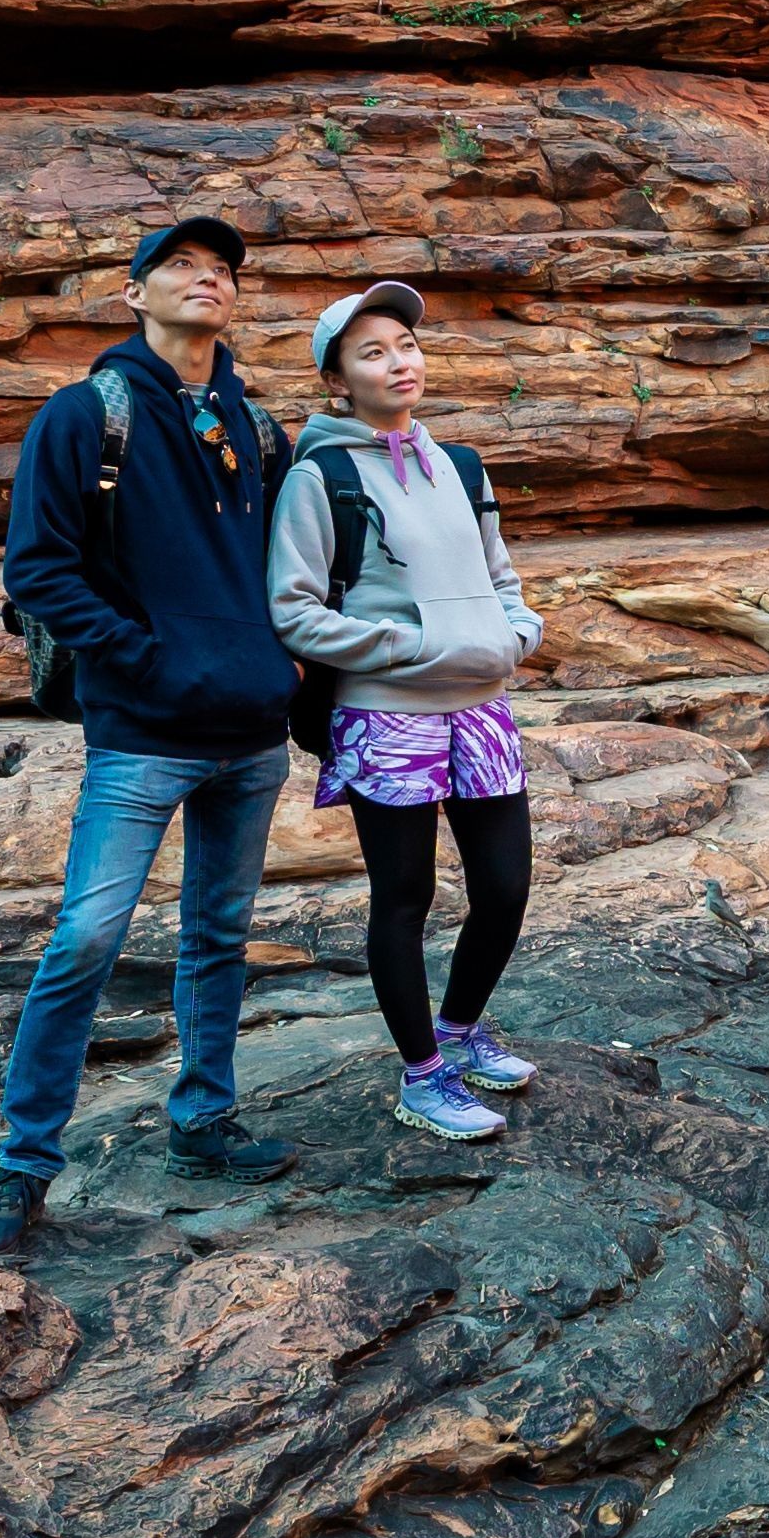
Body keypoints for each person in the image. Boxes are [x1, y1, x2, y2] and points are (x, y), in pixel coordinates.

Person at [0, 211, 302, 1252]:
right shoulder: (84, 416)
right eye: (182, 267)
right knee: (87, 938)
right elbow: (37, 571)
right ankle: (25, 1167)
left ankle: (203, 1118)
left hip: (252, 735)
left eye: (223, 271)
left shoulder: (259, 427)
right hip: (143, 731)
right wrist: (149, 658)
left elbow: (290, 571)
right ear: (134, 294)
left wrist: (282, 668)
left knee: (218, 934)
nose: (209, 281)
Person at [273, 274, 546, 1150]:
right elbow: (295, 608)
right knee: (405, 895)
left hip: (482, 708)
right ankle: (422, 1076)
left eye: (408, 345)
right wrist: (410, 650)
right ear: (336, 380)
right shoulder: (320, 476)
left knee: (505, 887)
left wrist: (517, 633)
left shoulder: (460, 464)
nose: (400, 362)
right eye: (373, 352)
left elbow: (502, 578)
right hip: (388, 713)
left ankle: (463, 1034)